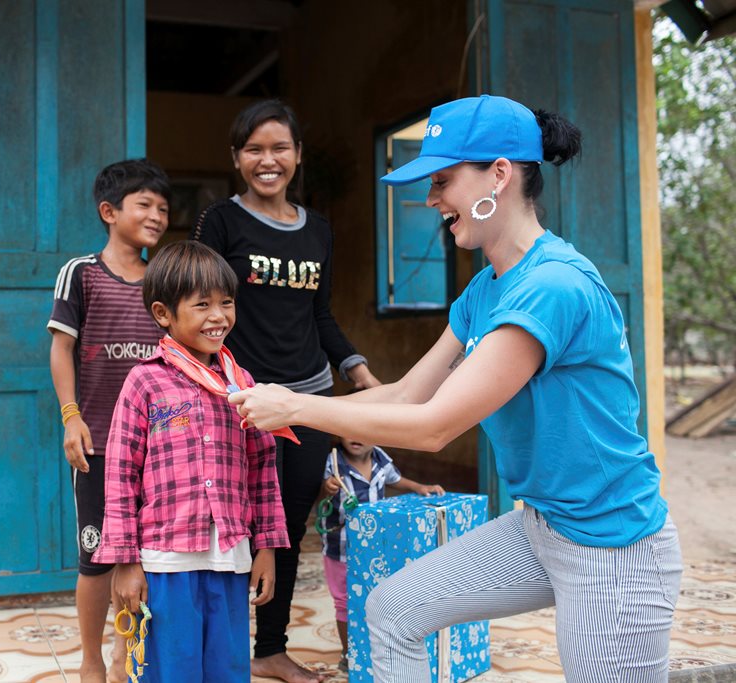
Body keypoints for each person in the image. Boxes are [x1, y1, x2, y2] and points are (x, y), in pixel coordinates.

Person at [229, 94, 683, 682]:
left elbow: (436, 425)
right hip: (543, 525)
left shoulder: (553, 285)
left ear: (500, 174)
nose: (431, 199)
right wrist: (285, 407)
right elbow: (406, 394)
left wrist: (293, 406)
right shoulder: (484, 291)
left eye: (442, 181)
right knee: (392, 610)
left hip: (613, 544)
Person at [191, 98, 381, 683]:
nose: (267, 160)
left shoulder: (318, 229)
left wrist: (360, 374)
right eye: (254, 149)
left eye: (279, 148)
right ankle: (218, 648)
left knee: (287, 527)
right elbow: (202, 304)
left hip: (309, 399)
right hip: (241, 400)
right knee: (228, 524)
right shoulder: (220, 222)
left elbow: (320, 315)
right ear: (236, 158)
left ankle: (270, 647)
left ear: (297, 154)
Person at [94, 240, 290, 683]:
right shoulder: (145, 381)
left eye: (226, 302)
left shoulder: (242, 383)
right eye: (202, 305)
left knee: (228, 669)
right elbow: (121, 475)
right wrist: (125, 561)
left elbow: (262, 467)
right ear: (163, 313)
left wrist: (266, 548)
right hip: (165, 561)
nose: (218, 316)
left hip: (230, 556)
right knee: (171, 670)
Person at [47, 158, 170, 683]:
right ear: (109, 211)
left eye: (163, 207)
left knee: (145, 555)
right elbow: (61, 349)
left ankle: (125, 652)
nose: (157, 215)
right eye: (145, 204)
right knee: (96, 557)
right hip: (97, 445)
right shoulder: (81, 273)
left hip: (157, 446)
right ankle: (92, 661)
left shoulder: (164, 280)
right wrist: (70, 416)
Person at [319, 434, 445, 671]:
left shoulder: (380, 458)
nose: (356, 436)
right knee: (344, 601)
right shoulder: (334, 462)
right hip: (340, 546)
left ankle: (379, 649)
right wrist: (328, 487)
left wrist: (419, 487)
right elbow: (324, 488)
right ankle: (349, 654)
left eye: (364, 430)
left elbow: (395, 479)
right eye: (349, 429)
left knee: (376, 596)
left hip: (374, 546)